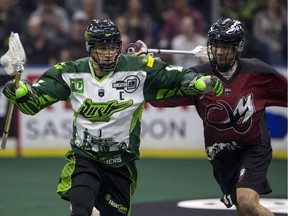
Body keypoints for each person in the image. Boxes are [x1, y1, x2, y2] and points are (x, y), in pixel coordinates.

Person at [2, 18, 223, 216]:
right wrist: (21, 92)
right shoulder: (70, 72)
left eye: (112, 47)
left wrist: (196, 81)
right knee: (80, 209)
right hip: (85, 158)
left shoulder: (138, 69)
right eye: (101, 48)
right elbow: (35, 100)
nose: (108, 53)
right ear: (90, 48)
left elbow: (173, 75)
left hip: (120, 164)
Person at [139, 18, 287, 215]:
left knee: (248, 202)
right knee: (243, 208)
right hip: (221, 155)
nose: (218, 51)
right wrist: (147, 65)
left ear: (238, 47)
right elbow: (158, 96)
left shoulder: (257, 72)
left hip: (254, 148)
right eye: (216, 45)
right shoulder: (197, 76)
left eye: (225, 46)